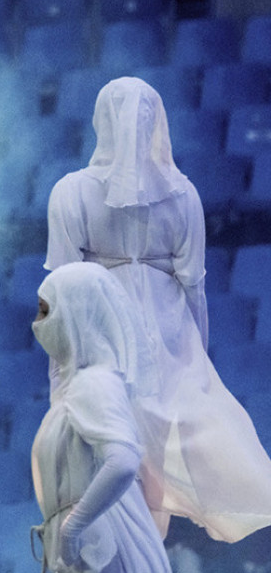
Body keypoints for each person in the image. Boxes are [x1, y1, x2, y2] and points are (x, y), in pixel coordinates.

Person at [46, 76, 271, 542]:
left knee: (137, 459)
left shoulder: (76, 192)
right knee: (138, 460)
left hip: (127, 342)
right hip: (140, 344)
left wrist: (61, 376)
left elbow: (62, 293)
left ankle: (145, 562)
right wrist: (197, 359)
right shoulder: (178, 194)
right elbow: (193, 289)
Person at [0, 262, 191, 573]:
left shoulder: (94, 384)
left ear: (75, 314)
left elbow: (123, 459)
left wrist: (74, 526)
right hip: (76, 567)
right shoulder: (77, 386)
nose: (38, 324)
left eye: (47, 312)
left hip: (109, 562)